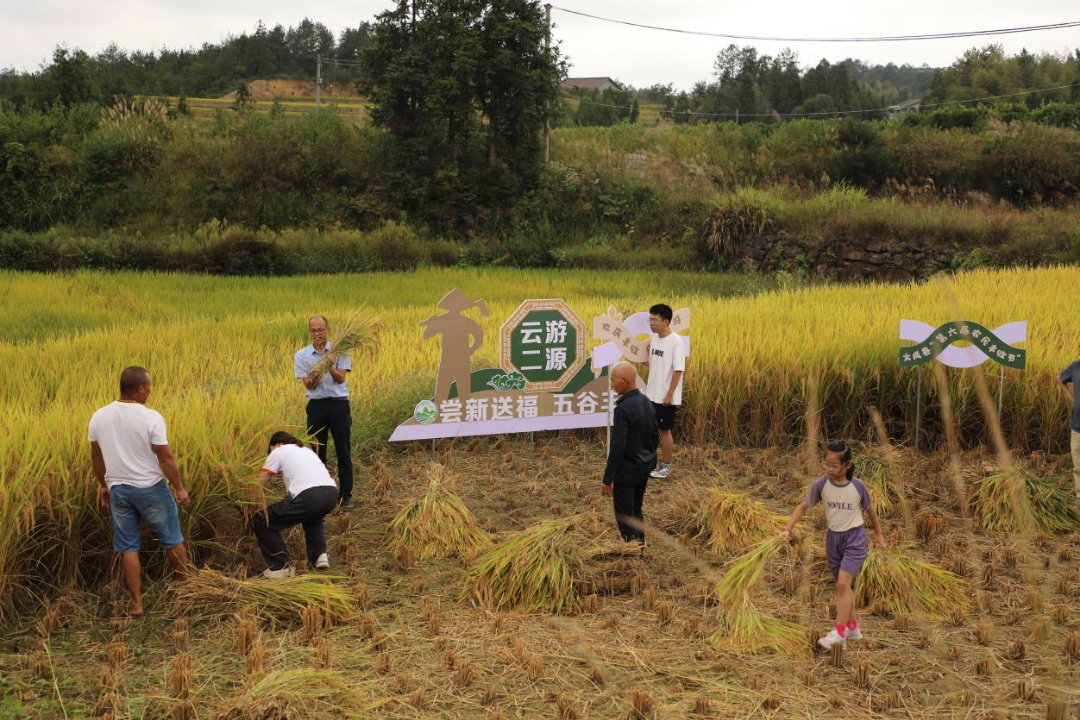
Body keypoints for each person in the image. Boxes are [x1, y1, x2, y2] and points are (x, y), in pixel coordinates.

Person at [88, 366, 190, 616]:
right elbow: (165, 458)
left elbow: (96, 456)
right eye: (150, 387)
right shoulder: (150, 417)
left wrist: (104, 484)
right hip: (151, 488)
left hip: (119, 491)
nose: (150, 392)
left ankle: (137, 604)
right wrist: (179, 488)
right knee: (172, 538)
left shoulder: (99, 416)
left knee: (128, 547)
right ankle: (184, 588)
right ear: (140, 388)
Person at [781, 441, 887, 650]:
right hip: (833, 539)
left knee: (841, 584)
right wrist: (788, 528)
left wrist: (878, 535)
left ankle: (839, 634)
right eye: (826, 464)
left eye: (834, 465)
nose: (829, 469)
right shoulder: (822, 484)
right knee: (843, 587)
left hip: (855, 540)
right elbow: (803, 506)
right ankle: (853, 627)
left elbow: (870, 510)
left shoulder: (857, 486)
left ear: (848, 465)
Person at [251, 431, 340, 578]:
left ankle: (281, 567)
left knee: (262, 519)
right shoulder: (306, 450)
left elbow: (259, 484)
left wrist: (245, 496)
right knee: (313, 517)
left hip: (309, 496)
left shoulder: (278, 451)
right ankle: (319, 556)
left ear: (276, 444)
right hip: (331, 493)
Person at [294, 314, 354, 510]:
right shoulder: (302, 355)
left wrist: (330, 366)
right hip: (316, 407)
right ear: (309, 332)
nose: (317, 333)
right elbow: (309, 386)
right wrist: (319, 369)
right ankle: (323, 496)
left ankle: (346, 496)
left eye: (320, 329)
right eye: (313, 330)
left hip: (339, 405)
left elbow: (341, 379)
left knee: (343, 451)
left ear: (327, 330)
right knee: (318, 454)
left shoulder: (340, 351)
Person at [601, 362, 659, 543]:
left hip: (627, 472)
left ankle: (632, 556)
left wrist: (608, 478)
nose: (611, 384)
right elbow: (654, 434)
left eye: (613, 380)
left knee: (625, 515)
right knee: (636, 509)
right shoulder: (646, 401)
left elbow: (618, 446)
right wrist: (649, 459)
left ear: (624, 381)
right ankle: (639, 550)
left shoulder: (623, 409)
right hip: (644, 467)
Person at [645, 303, 685, 479]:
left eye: (655, 320)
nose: (651, 323)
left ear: (666, 321)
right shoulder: (654, 339)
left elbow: (678, 370)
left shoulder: (676, 341)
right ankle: (651, 463)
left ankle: (666, 465)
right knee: (652, 430)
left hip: (665, 397)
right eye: (650, 319)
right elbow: (654, 363)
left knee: (664, 431)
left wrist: (669, 394)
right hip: (651, 393)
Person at [1057, 352, 1080, 499]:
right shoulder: (1076, 365)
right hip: (1078, 424)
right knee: (1078, 464)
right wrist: (1071, 396)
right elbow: (1060, 378)